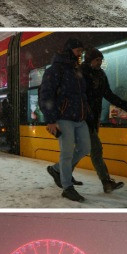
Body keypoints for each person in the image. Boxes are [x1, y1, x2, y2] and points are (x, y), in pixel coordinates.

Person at [81, 47, 127, 193]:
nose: (100, 63)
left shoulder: (101, 75)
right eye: (97, 60)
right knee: (96, 150)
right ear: (90, 59)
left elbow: (108, 94)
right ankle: (106, 182)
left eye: (101, 60)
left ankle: (58, 170)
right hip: (82, 118)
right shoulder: (80, 73)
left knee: (82, 150)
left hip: (93, 119)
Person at [39, 38, 90, 202]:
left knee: (84, 148)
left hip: (80, 118)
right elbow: (46, 94)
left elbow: (82, 95)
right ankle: (67, 187)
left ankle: (56, 169)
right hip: (63, 118)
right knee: (67, 153)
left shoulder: (76, 69)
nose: (80, 53)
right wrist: (51, 120)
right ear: (69, 50)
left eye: (81, 51)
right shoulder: (56, 69)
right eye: (78, 50)